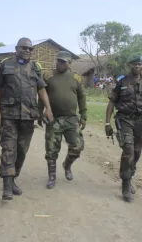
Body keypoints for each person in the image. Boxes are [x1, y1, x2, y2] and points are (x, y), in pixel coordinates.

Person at [0, 37, 54, 200]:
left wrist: (48, 108)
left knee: (22, 150)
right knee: (8, 149)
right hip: (8, 115)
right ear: (16, 49)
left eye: (30, 49)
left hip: (28, 116)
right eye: (24, 48)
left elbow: (41, 89)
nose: (27, 51)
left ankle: (12, 179)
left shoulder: (35, 67)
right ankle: (6, 187)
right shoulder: (6, 65)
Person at [105, 54, 142, 202]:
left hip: (140, 121)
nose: (137, 66)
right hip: (124, 119)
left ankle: (129, 178)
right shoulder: (122, 81)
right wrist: (107, 123)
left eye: (140, 64)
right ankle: (125, 183)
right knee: (128, 149)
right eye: (135, 64)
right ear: (130, 65)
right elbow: (111, 102)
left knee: (136, 152)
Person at [39, 51, 87, 189]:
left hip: (71, 119)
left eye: (64, 62)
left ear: (69, 63)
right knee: (51, 150)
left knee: (77, 145)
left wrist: (83, 115)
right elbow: (42, 94)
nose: (60, 64)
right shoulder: (48, 76)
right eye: (59, 61)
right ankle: (52, 177)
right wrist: (39, 112)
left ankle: (67, 165)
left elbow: (82, 97)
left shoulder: (76, 78)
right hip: (53, 118)